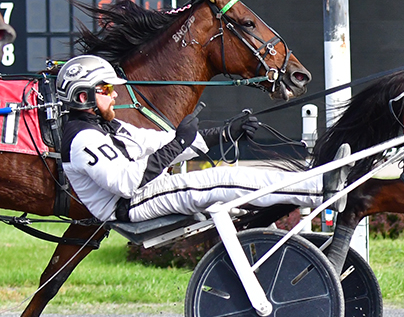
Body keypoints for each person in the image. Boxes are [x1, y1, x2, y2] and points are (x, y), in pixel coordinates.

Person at [56, 54, 347, 223]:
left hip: (144, 194)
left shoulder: (106, 126)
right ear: (83, 96)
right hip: (128, 206)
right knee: (218, 181)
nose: (115, 94)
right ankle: (322, 191)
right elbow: (126, 183)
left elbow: (156, 142)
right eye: (106, 89)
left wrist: (222, 133)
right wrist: (178, 143)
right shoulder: (83, 139)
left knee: (228, 177)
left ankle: (319, 185)